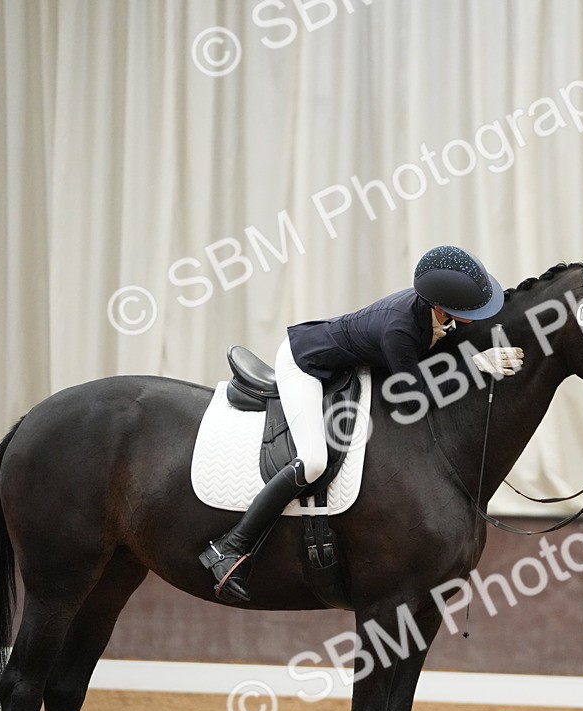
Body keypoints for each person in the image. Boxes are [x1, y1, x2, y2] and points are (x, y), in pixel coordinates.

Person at [200, 245, 524, 602]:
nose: (473, 317)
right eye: (469, 312)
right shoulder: (399, 330)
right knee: (313, 461)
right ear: (441, 307)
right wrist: (475, 365)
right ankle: (229, 547)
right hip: (304, 364)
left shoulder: (430, 314)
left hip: (339, 361)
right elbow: (416, 393)